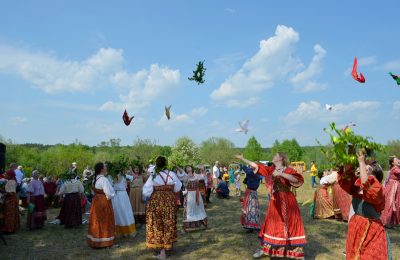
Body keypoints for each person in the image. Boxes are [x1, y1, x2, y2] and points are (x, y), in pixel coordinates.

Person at [236, 153, 306, 259]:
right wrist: (242, 159)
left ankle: (297, 253)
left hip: (288, 200)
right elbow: (256, 166)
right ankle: (266, 249)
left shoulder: (288, 170)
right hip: (275, 200)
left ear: (281, 158)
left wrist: (281, 174)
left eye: (275, 155)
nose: (273, 156)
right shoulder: (270, 169)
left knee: (291, 223)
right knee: (271, 223)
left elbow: (296, 180)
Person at [338, 151, 390, 259]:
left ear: (376, 175)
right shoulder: (357, 188)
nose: (362, 170)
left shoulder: (378, 190)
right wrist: (349, 148)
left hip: (372, 231)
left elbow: (367, 186)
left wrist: (362, 162)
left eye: (367, 170)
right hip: (356, 226)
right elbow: (346, 175)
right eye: (363, 169)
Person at [143, 156, 182, 259]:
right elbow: (178, 187)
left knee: (157, 224)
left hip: (156, 201)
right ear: (165, 164)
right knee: (168, 222)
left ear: (156, 164)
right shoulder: (172, 174)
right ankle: (167, 247)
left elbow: (146, 191)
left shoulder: (153, 175)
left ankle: (160, 250)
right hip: (169, 201)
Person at [87, 162, 118, 248]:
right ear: (101, 169)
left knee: (97, 220)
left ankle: (96, 240)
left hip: (96, 201)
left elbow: (93, 191)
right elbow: (108, 193)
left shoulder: (95, 179)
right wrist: (113, 194)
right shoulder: (104, 179)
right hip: (103, 201)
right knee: (106, 220)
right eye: (105, 167)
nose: (106, 168)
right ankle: (106, 242)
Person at [181, 166, 207, 232]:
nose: (189, 168)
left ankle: (200, 223)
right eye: (187, 167)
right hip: (190, 194)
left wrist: (202, 169)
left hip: (196, 194)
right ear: (186, 169)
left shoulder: (196, 175)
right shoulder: (185, 176)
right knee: (190, 208)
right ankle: (189, 225)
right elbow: (183, 180)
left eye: (189, 167)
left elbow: (203, 177)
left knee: (198, 208)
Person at [112, 173, 136, 237]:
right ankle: (118, 231)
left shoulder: (124, 176)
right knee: (116, 212)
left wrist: (127, 181)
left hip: (123, 196)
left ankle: (127, 230)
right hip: (115, 196)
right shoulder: (111, 176)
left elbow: (133, 177)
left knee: (124, 211)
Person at [240, 164, 261, 232]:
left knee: (251, 210)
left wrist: (240, 163)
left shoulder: (252, 174)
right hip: (252, 193)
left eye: (252, 165)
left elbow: (247, 170)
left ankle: (252, 226)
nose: (250, 166)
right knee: (251, 209)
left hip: (251, 193)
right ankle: (252, 226)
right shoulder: (257, 175)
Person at [381, 156, 400, 228]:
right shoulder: (395, 169)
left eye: (398, 159)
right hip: (392, 188)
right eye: (396, 160)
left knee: (396, 203)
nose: (398, 160)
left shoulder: (397, 168)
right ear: (393, 163)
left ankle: (393, 222)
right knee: (391, 204)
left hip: (396, 187)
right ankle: (387, 221)